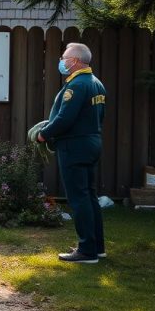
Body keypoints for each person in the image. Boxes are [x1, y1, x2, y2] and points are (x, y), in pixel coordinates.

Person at [37, 42, 107, 264]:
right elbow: (99, 116)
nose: (62, 61)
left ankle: (86, 251)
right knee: (89, 195)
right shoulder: (97, 84)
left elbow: (65, 119)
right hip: (91, 142)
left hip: (74, 147)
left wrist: (43, 134)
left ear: (75, 61)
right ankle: (97, 247)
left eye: (64, 57)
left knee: (78, 198)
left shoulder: (76, 85)